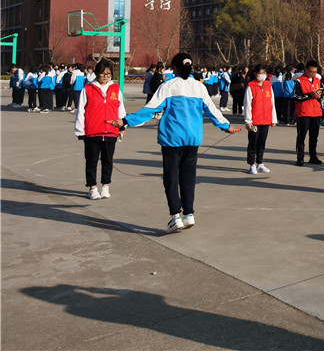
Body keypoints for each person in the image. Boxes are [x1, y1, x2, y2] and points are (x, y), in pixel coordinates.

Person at [112, 53, 238, 233]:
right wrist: (226, 126)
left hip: (172, 139)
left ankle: (175, 217)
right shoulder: (199, 87)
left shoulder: (168, 86)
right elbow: (212, 110)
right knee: (188, 178)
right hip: (192, 139)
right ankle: (189, 214)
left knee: (171, 178)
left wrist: (125, 121)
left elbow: (150, 110)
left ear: (175, 68)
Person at [74, 59, 127, 200]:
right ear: (97, 73)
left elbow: (120, 109)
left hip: (111, 131)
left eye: (108, 74)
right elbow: (81, 111)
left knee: (108, 161)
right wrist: (80, 131)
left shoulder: (115, 89)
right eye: (103, 74)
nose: (105, 77)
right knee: (91, 162)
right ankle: (92, 188)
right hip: (92, 132)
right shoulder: (88, 89)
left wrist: (122, 126)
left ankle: (105, 186)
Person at [244, 64, 278, 174]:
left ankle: (260, 163)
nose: (262, 75)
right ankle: (252, 164)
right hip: (255, 120)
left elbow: (272, 102)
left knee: (262, 142)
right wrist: (248, 121)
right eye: (260, 73)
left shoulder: (268, 85)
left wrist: (273, 119)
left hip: (266, 119)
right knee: (253, 143)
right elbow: (247, 104)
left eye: (264, 73)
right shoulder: (251, 86)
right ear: (255, 74)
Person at [293, 60, 324, 166]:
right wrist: (310, 95)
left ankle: (313, 156)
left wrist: (320, 95)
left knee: (314, 137)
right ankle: (300, 158)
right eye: (311, 71)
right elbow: (297, 96)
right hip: (304, 112)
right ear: (305, 70)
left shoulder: (317, 80)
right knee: (301, 136)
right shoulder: (299, 81)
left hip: (316, 112)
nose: (312, 74)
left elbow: (322, 91)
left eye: (314, 72)